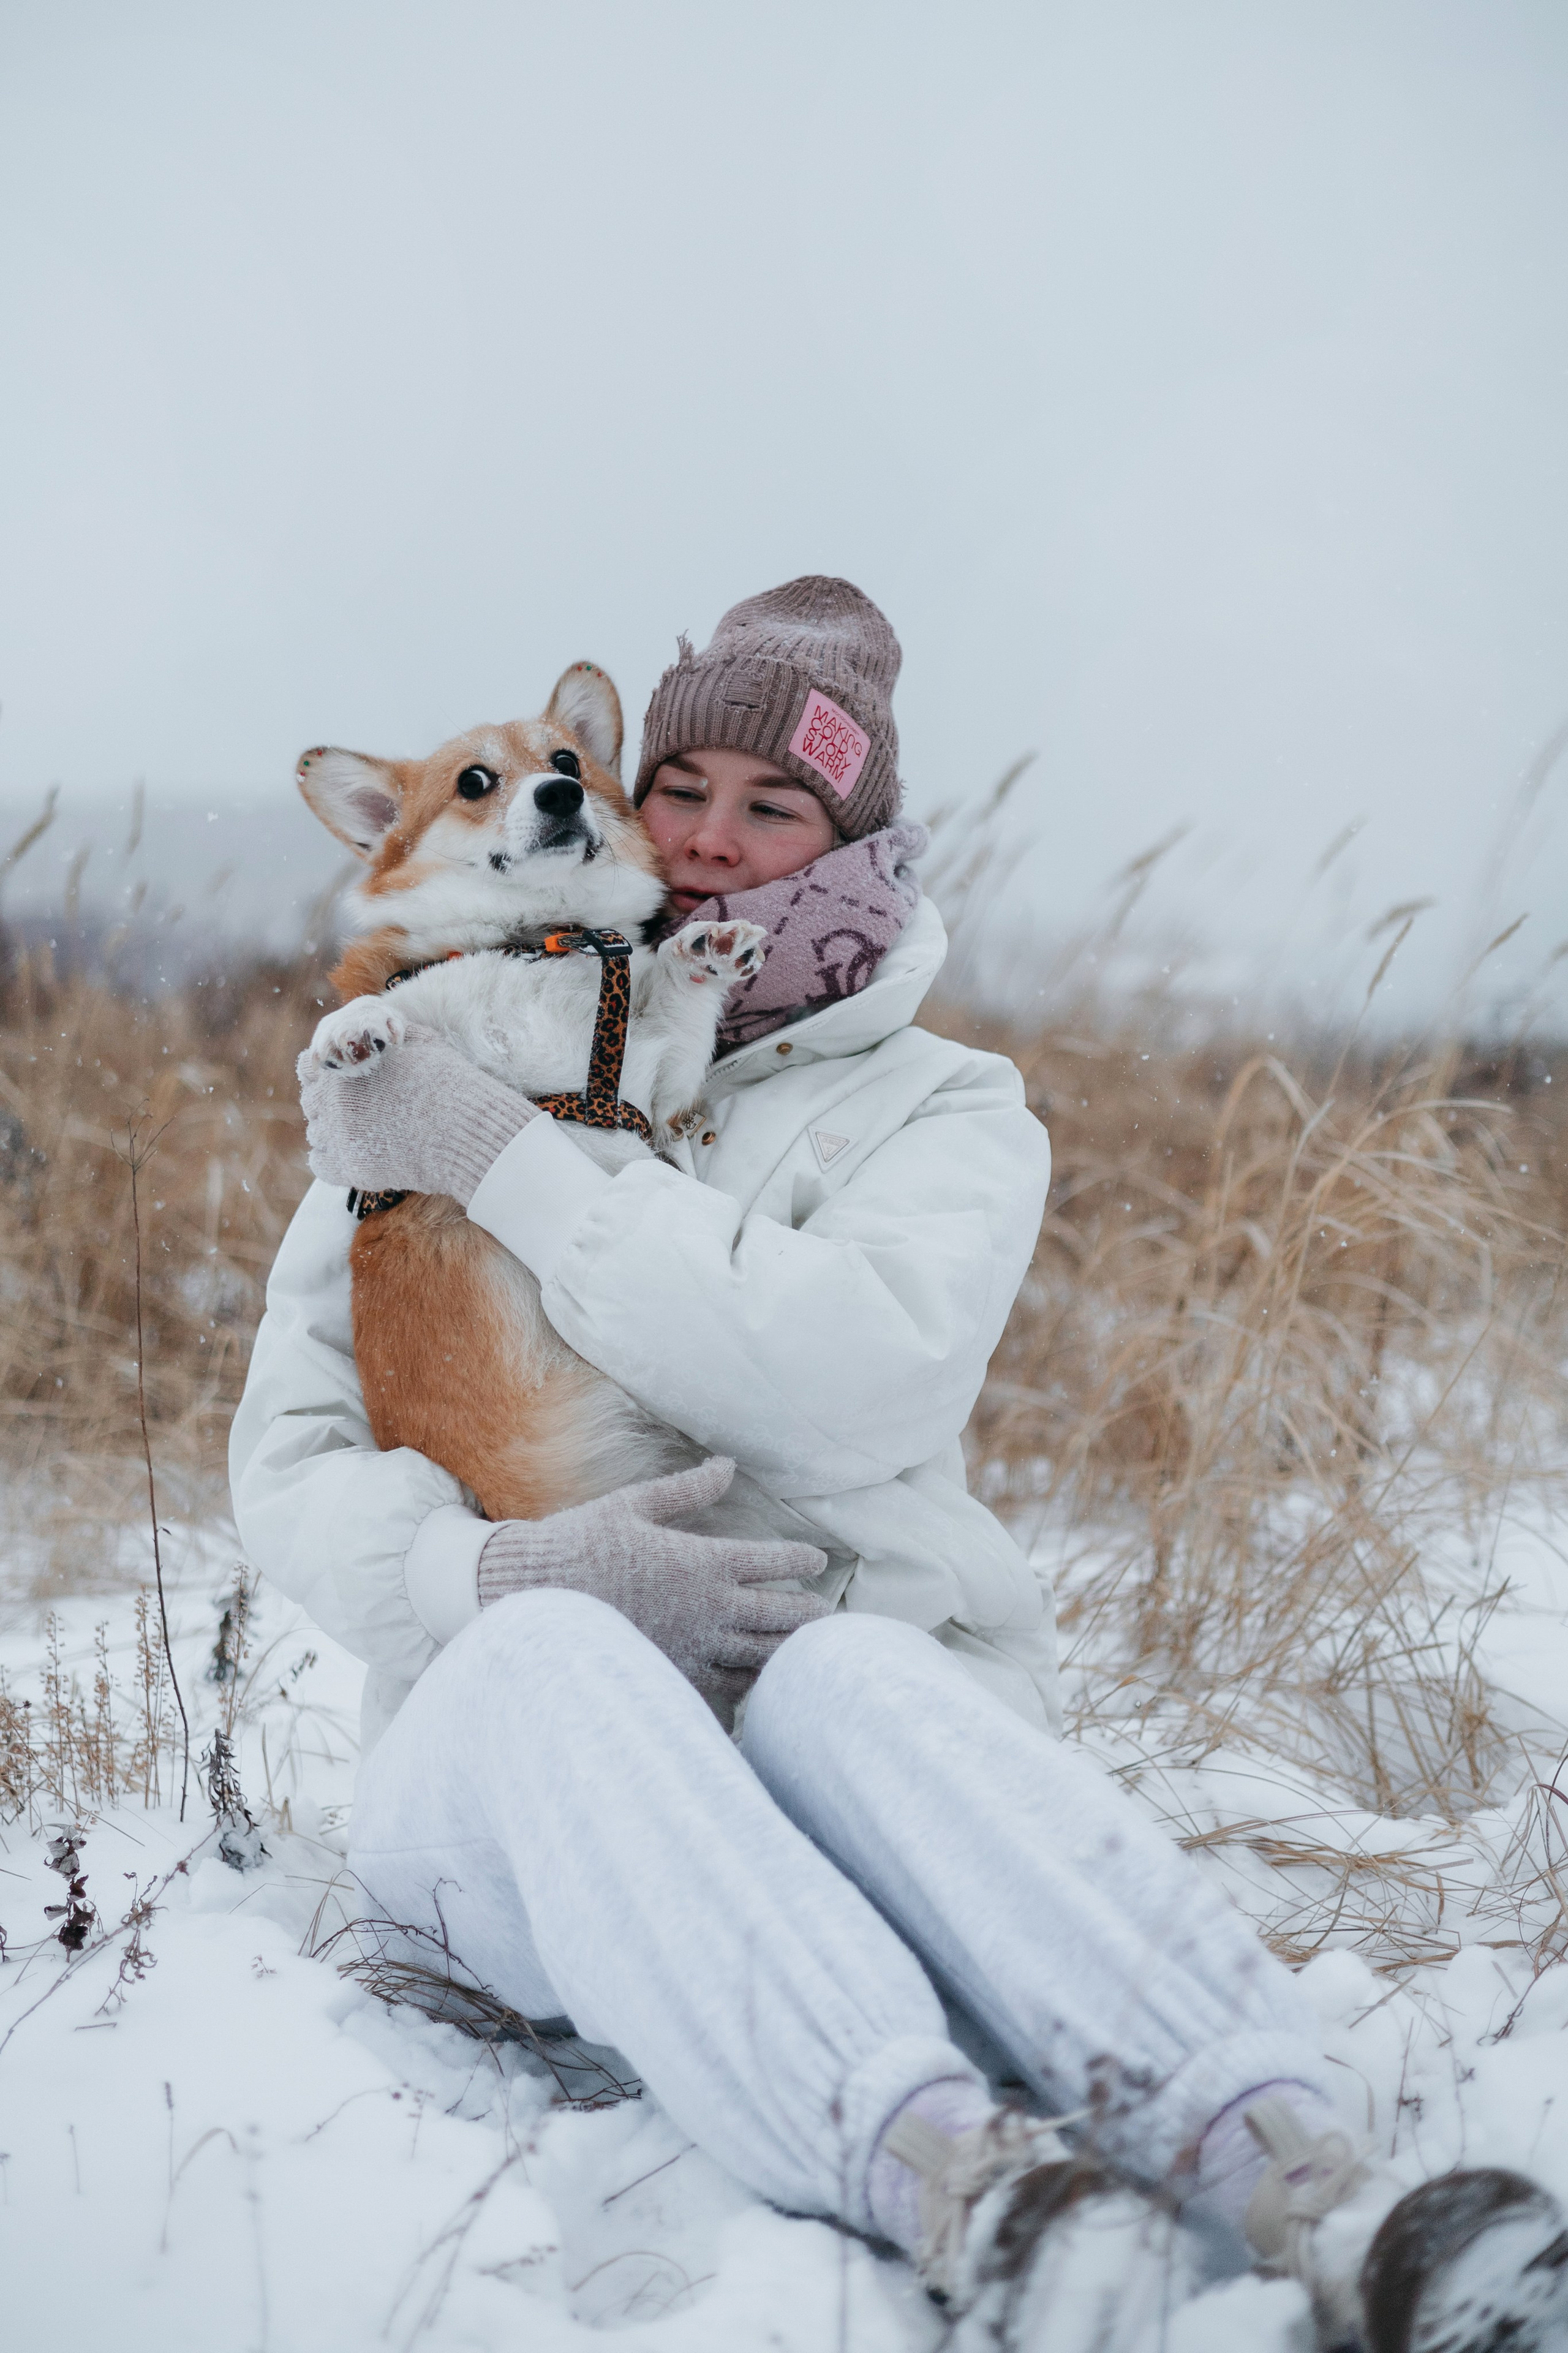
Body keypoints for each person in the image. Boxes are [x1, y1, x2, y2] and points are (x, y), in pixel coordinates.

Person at [231, 579, 1566, 2352]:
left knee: (853, 1670)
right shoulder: (416, 1064)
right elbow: (293, 1447)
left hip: (837, 1743)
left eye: (773, 805)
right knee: (553, 1652)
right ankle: (975, 2196)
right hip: (514, 1774)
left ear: (858, 843)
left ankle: (1327, 2186)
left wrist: (517, 1166)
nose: (706, 837)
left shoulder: (944, 1109)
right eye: (680, 782)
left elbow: (841, 1383)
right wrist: (478, 1572)